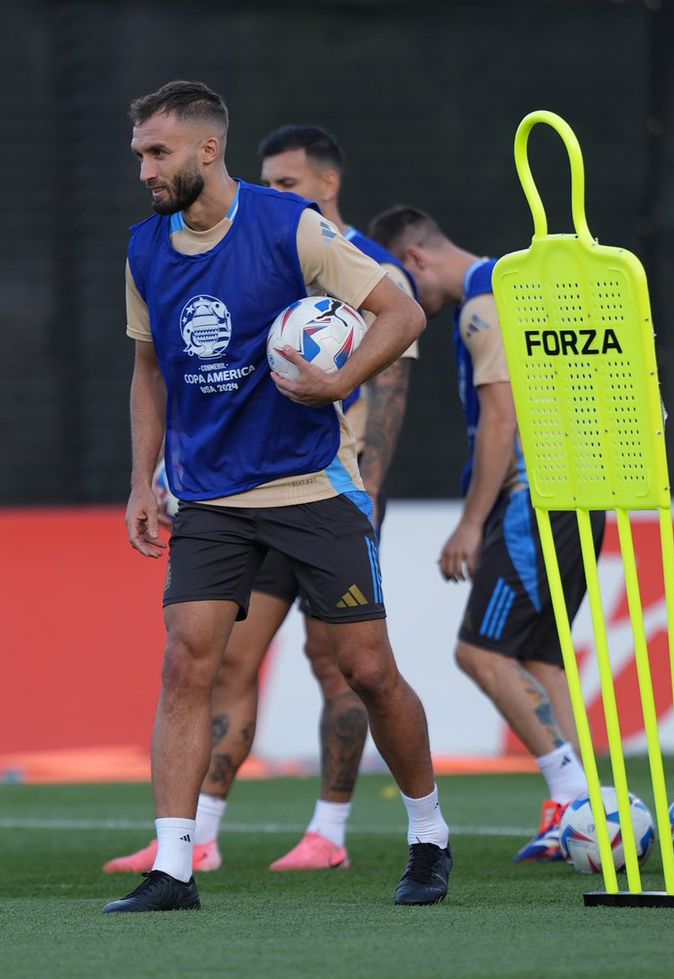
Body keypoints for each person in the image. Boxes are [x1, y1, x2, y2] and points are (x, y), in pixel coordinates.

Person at [102, 81, 450, 913]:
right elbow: (148, 370)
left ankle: (429, 834)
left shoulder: (288, 225)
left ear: (205, 151)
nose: (145, 168)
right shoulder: (144, 249)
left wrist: (339, 378)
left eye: (158, 153)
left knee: (368, 670)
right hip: (210, 496)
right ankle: (177, 868)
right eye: (141, 154)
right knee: (190, 662)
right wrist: (141, 477)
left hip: (311, 487)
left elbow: (401, 312)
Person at [369, 205, 602, 861]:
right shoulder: (523, 285)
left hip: (536, 495)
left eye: (397, 280)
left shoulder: (483, 303)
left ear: (413, 260)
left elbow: (503, 420)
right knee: (541, 656)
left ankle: (574, 793)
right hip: (579, 490)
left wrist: (471, 524)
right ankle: (585, 811)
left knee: (479, 650)